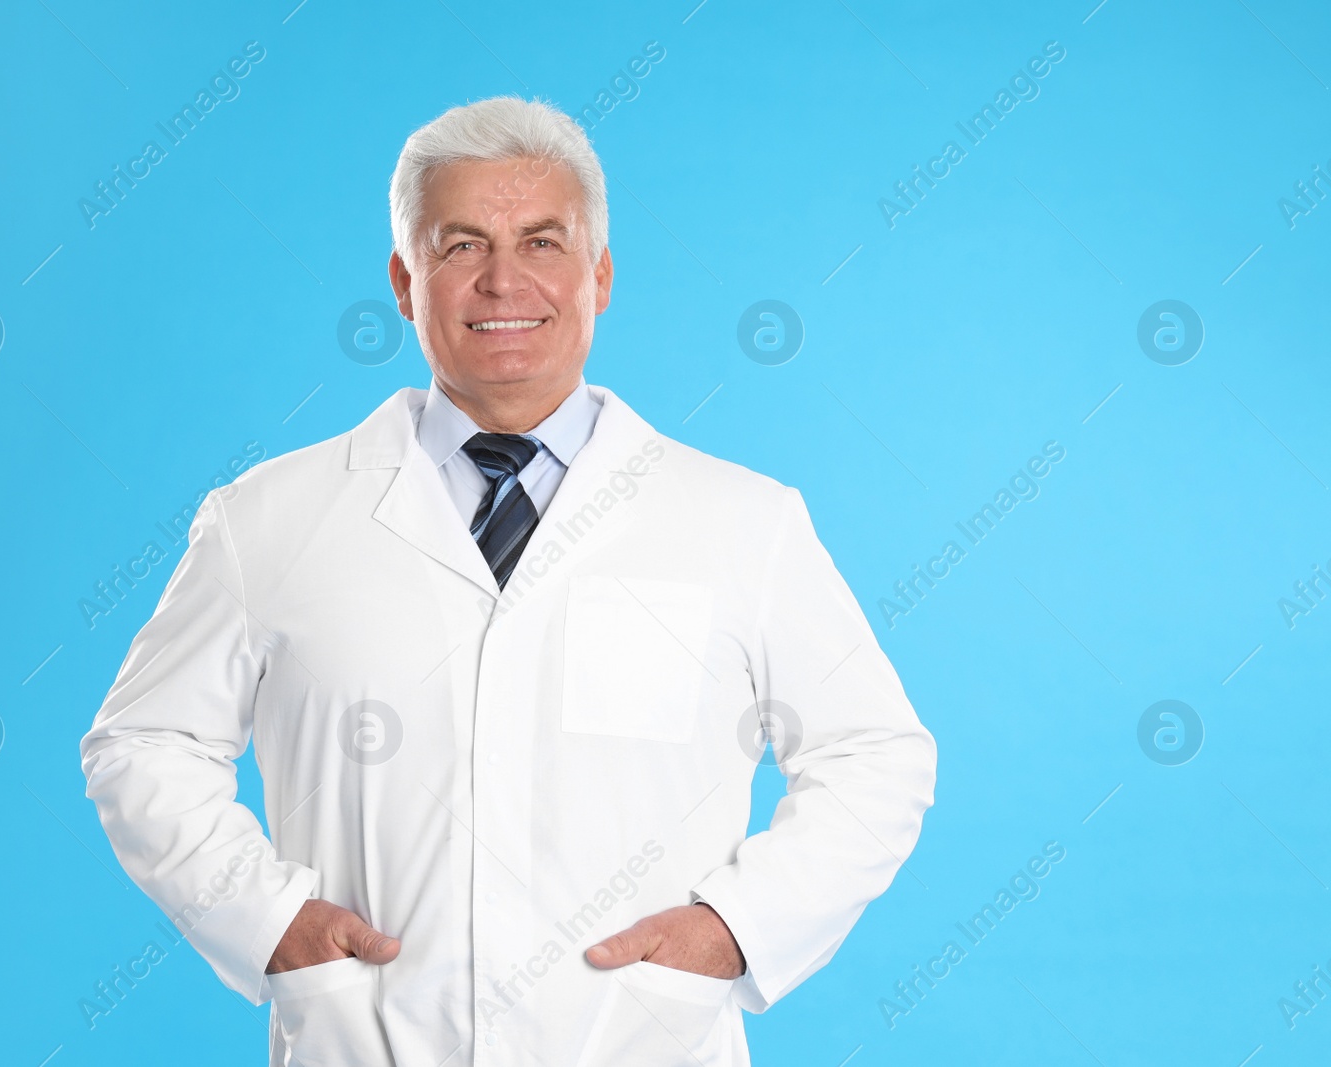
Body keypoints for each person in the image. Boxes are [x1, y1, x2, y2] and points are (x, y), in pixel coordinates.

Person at [80, 94, 936, 1067]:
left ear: (599, 274)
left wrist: (730, 929)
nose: (502, 280)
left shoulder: (742, 520)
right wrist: (265, 918)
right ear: (405, 281)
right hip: (370, 1038)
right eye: (458, 247)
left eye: (542, 242)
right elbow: (145, 740)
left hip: (635, 1040)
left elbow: (876, 754)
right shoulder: (266, 517)